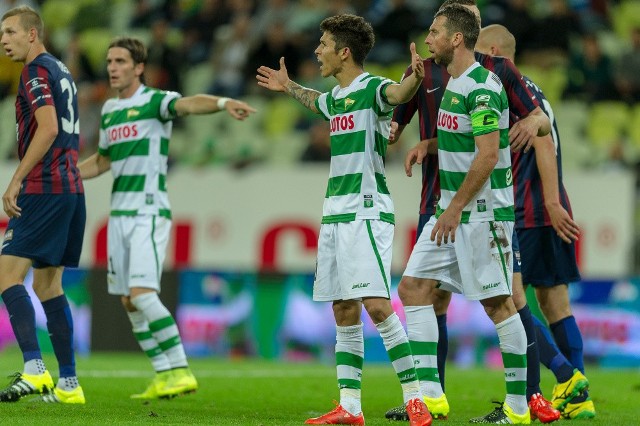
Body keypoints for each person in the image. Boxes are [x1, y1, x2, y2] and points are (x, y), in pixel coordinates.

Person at [385, 0, 560, 423]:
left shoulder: (481, 86)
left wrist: (456, 207)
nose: (428, 40)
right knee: (412, 290)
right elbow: (458, 145)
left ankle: (518, 407)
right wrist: (427, 146)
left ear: (456, 38)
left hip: (482, 215)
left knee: (499, 303)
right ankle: (431, 395)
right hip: (451, 211)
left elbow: (487, 155)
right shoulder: (453, 82)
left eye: (434, 33)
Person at [256, 14, 432, 426]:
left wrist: (415, 78)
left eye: (323, 44)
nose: (317, 50)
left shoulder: (372, 90)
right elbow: (315, 101)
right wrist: (288, 87)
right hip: (334, 213)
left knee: (375, 304)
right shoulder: (336, 98)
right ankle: (350, 406)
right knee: (342, 307)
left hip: (366, 212)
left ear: (344, 51)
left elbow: (398, 92)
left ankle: (416, 397)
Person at [78, 37, 256, 400]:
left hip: (148, 209)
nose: (112, 67)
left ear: (139, 67)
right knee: (128, 299)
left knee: (142, 294)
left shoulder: (154, 101)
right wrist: (63, 175)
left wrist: (223, 103)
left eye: (121, 61)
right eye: (110, 61)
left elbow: (189, 105)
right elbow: (102, 161)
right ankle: (164, 374)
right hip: (119, 214)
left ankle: (181, 369)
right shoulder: (111, 110)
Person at [475, 24, 595, 420]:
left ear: (493, 51)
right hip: (549, 206)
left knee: (511, 300)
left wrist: (548, 201)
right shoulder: (533, 86)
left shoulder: (508, 88)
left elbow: (542, 139)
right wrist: (556, 201)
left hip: (531, 210)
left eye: (477, 51)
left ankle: (556, 382)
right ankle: (577, 395)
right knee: (554, 303)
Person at [0, 6, 86, 404]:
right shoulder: (61, 70)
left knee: (6, 277)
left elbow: (48, 127)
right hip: (70, 188)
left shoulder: (35, 71)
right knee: (49, 285)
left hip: (44, 185)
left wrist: (16, 178)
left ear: (32, 34)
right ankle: (69, 384)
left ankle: (35, 369)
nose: (4, 40)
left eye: (11, 31)